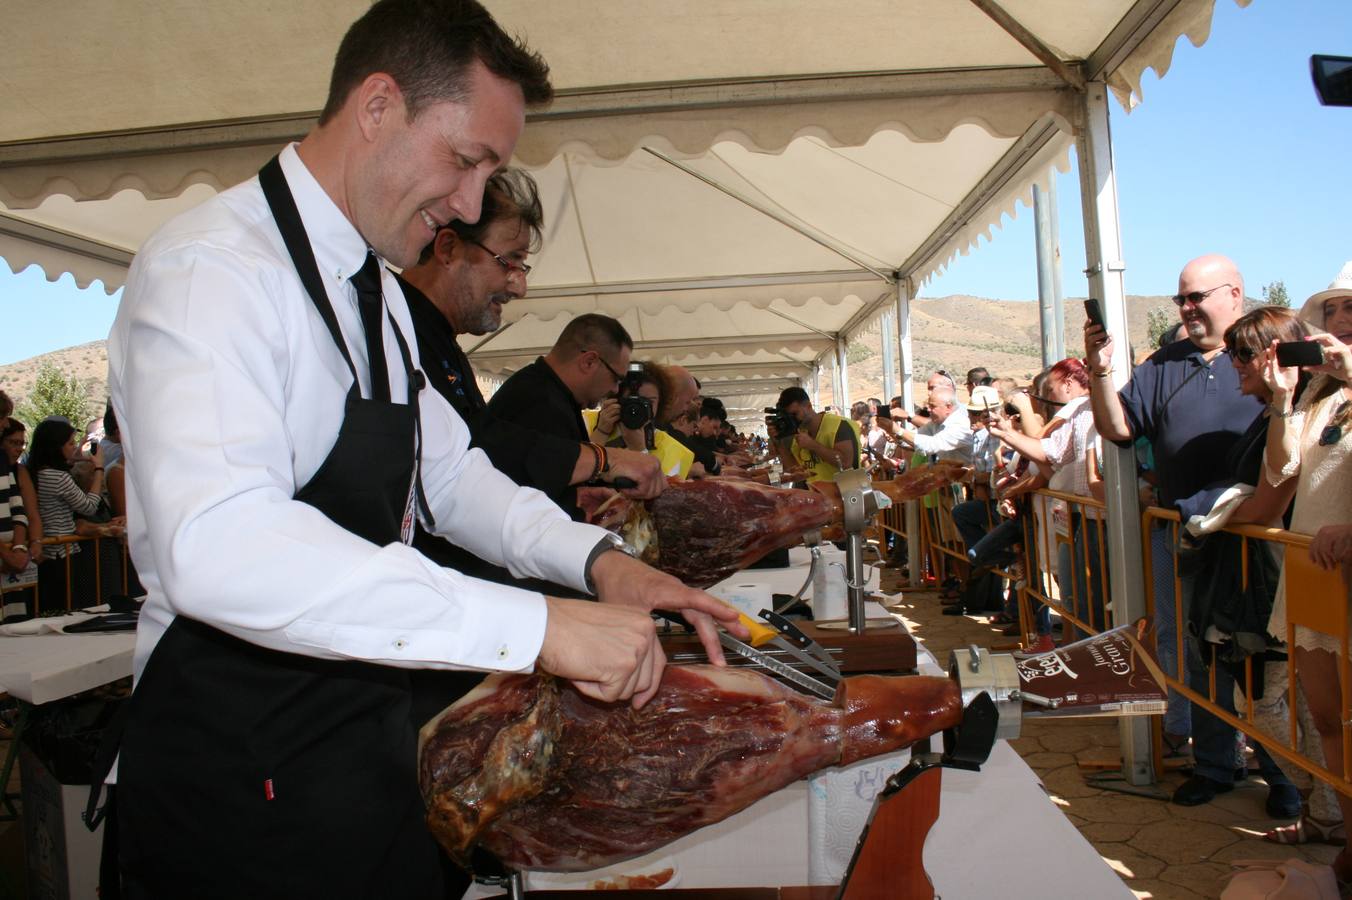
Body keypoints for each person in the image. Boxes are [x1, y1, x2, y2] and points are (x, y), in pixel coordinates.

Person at [105, 3, 742, 896]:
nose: (471, 205)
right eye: (465, 160)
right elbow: (219, 544)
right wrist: (537, 627)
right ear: (377, 108)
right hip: (234, 793)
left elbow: (453, 479)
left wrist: (600, 566)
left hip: (361, 754)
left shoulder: (380, 300)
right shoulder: (212, 271)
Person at [1085, 253, 1296, 814]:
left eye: (1196, 297)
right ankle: (1215, 764)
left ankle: (1285, 777)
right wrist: (1100, 372)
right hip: (1193, 535)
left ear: (1235, 293)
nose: (1186, 308)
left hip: (1264, 539)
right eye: (1181, 298)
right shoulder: (1165, 364)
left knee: (1264, 660)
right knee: (1201, 654)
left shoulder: (1269, 362)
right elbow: (1117, 428)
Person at [1241, 270, 1352, 870]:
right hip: (1313, 576)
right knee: (1332, 722)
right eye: (1335, 309)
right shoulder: (1323, 395)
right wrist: (1285, 399)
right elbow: (1283, 471)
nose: (1342, 320)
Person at [28, 418, 105, 613]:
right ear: (56, 447)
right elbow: (89, 507)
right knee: (64, 607)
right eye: (70, 444)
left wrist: (75, 457)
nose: (74, 448)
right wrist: (98, 469)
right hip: (62, 552)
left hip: (47, 550)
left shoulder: (35, 471)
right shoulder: (57, 477)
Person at [772, 386, 860, 484]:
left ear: (808, 406)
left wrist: (813, 445)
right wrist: (778, 442)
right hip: (817, 494)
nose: (794, 419)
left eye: (795, 413)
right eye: (789, 416)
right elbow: (795, 470)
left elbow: (846, 463)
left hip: (845, 495)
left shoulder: (838, 425)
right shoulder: (799, 432)